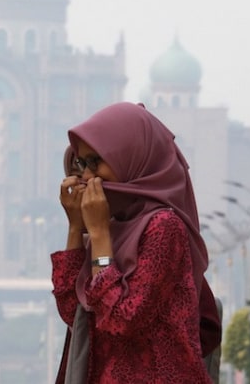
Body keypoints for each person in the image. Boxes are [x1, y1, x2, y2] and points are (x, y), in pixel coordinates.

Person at [51, 102, 221, 383]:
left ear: (131, 159)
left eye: (97, 162)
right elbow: (74, 313)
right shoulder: (111, 225)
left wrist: (100, 236)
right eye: (82, 164)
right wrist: (75, 227)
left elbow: (122, 319)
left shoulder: (163, 226)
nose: (87, 176)